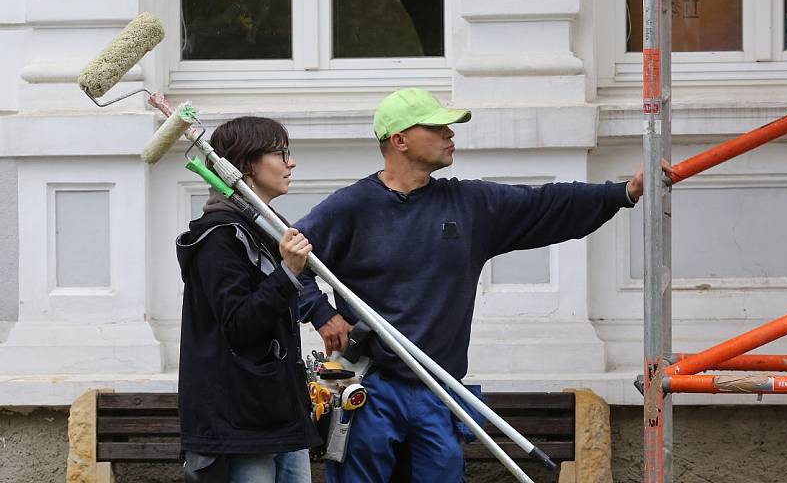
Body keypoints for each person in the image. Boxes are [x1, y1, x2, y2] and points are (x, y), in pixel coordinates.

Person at [294, 88, 650, 483]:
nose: (450, 134)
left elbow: (546, 204)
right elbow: (289, 259)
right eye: (436, 126)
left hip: (440, 390)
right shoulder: (350, 208)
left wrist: (624, 192)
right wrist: (322, 314)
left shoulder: (470, 205)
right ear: (400, 140)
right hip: (369, 385)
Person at [176, 116, 321, 483]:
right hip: (240, 424)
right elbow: (240, 324)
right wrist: (286, 274)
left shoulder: (267, 230)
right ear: (245, 167)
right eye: (280, 152)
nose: (291, 163)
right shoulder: (218, 239)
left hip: (280, 413)